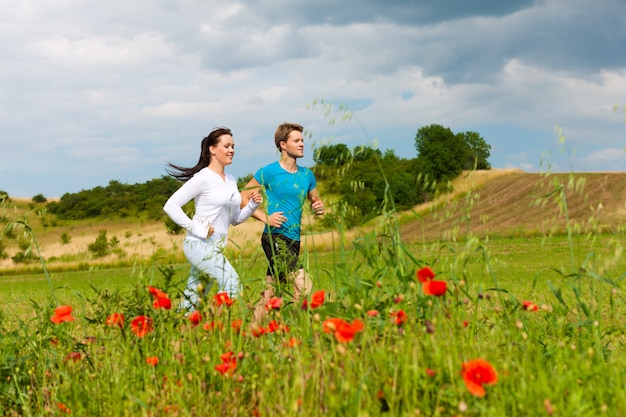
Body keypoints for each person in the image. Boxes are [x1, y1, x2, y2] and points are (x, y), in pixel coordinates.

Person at [163, 127, 263, 311]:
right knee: (232, 285)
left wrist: (252, 206)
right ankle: (215, 326)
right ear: (212, 149)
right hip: (198, 245)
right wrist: (197, 228)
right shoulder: (203, 178)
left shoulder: (231, 180)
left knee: (194, 299)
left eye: (233, 146)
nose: (231, 150)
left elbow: (234, 219)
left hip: (216, 247)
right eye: (227, 146)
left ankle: (180, 330)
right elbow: (171, 206)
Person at [240, 122, 325, 320]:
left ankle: (252, 335)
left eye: (302, 140)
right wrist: (265, 218)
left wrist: (318, 207)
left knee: (271, 295)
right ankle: (290, 331)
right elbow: (242, 197)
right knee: (305, 286)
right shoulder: (269, 171)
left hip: (295, 240)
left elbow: (316, 201)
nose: (302, 144)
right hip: (275, 236)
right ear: (283, 144)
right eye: (297, 140)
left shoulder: (307, 175)